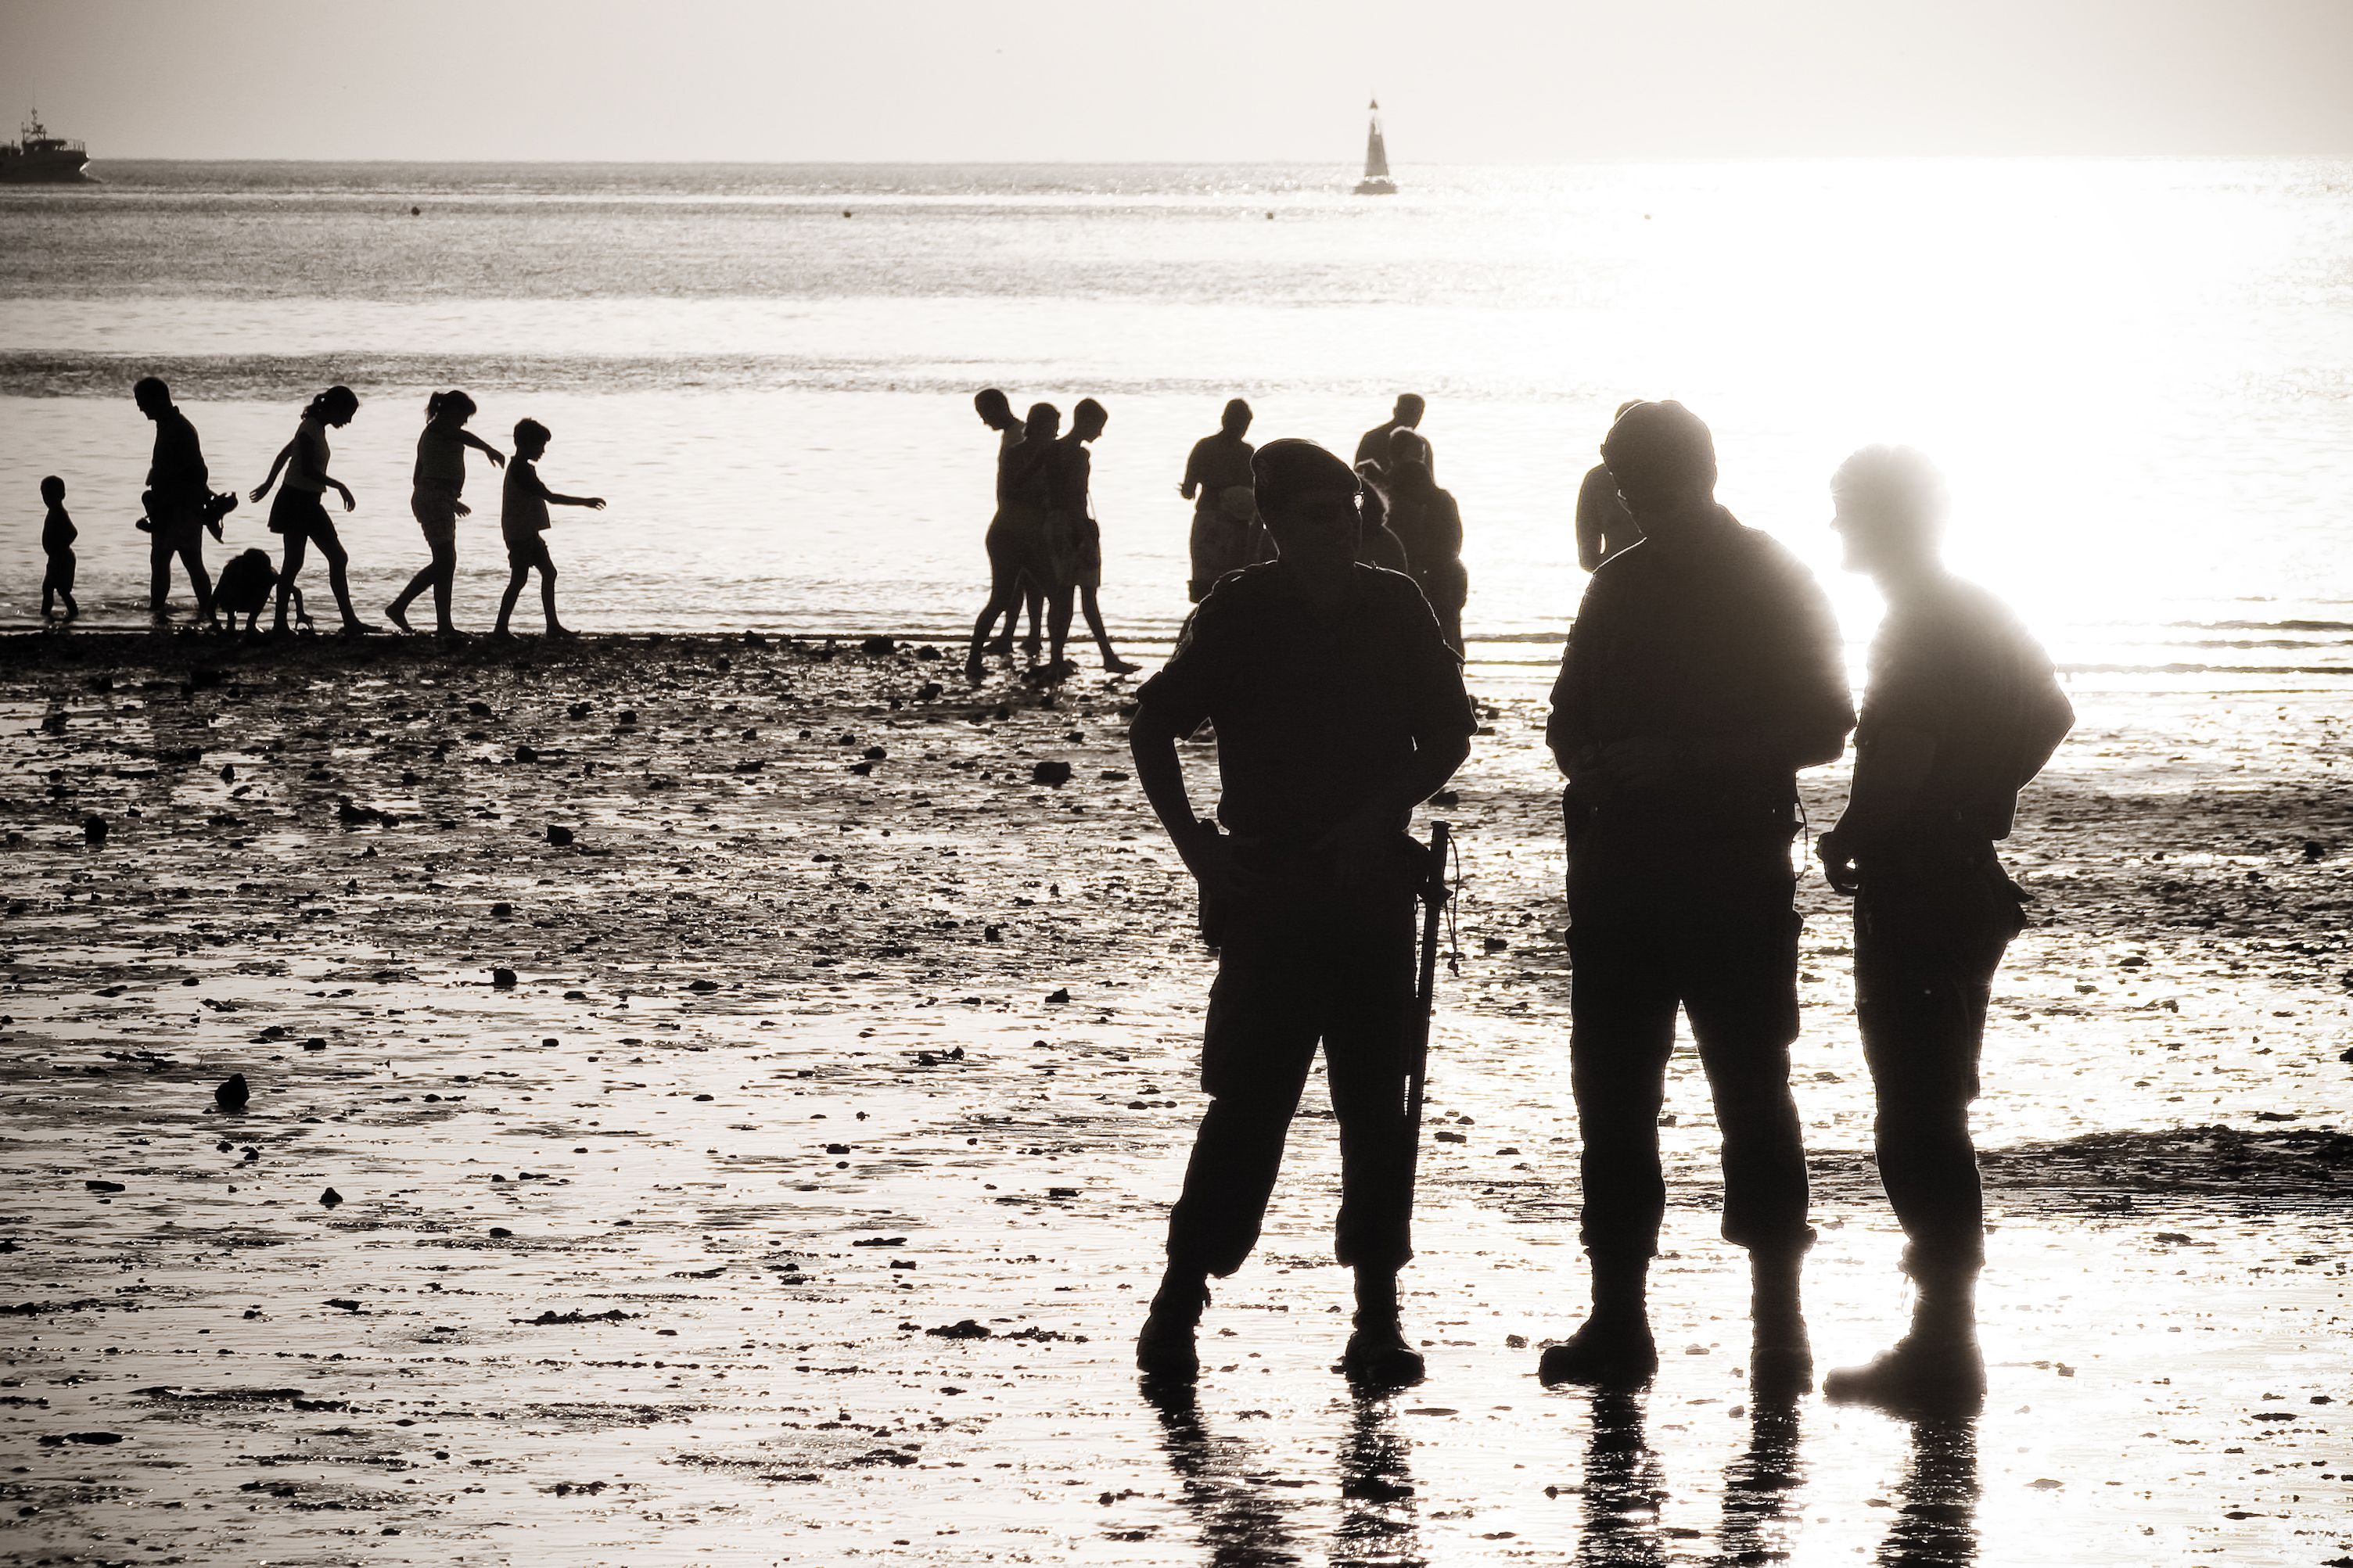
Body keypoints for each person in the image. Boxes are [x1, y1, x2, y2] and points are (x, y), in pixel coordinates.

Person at [1128, 438, 1475, 1390]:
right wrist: (1197, 850)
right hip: (1271, 894)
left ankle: (1377, 1314)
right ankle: (1176, 1302)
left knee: (1379, 1110)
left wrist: (1378, 814)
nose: (1341, 526)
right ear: (1275, 525)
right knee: (1245, 1106)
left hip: (1368, 898)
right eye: (1318, 513)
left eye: (1351, 511)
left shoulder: (1395, 605)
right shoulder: (1241, 609)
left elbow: (1449, 729)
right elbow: (1153, 722)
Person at [1540, 400, 1854, 1395]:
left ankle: (1779, 1328)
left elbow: (1824, 722)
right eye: (1628, 485)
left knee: (1752, 1098)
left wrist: (1677, 759)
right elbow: (1560, 718)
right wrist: (1588, 766)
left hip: (1730, 878)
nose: (1639, 501)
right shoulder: (1616, 586)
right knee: (1612, 1104)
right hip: (1618, 883)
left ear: (1702, 475)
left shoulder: (1772, 575)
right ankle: (1619, 1321)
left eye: (1651, 482)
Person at [1814, 446, 2072, 1416]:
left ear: (1886, 520)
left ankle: (1940, 1347)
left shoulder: (1910, 625)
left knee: (1914, 1113)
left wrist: (1847, 835)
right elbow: (2052, 708)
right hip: (1966, 877)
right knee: (1934, 1103)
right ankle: (1940, 1341)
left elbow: (1904, 753)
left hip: (1919, 882)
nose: (1835, 528)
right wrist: (1990, 790)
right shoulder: (1979, 608)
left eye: (1845, 511)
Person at [250, 386, 372, 634]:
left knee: (303, 561)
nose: (348, 421)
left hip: (306, 501)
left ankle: (342, 622)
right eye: (347, 414)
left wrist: (269, 483)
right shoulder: (310, 428)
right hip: (298, 502)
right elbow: (306, 469)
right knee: (319, 560)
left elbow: (286, 453)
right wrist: (340, 486)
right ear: (334, 408)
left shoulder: (315, 428)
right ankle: (287, 624)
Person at [388, 389, 505, 636]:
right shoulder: (438, 428)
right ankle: (399, 607)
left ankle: (444, 625)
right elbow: (462, 436)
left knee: (446, 563)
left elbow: (417, 476)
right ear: (451, 411)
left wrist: (450, 500)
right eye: (464, 416)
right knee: (445, 561)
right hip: (433, 498)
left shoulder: (434, 434)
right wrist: (488, 449)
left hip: (437, 497)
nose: (464, 422)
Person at [1043, 397, 1138, 676]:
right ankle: (1106, 657)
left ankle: (1056, 659)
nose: (1100, 433)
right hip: (1074, 527)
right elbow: (1076, 498)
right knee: (1087, 597)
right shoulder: (1079, 455)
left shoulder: (1052, 449)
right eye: (1098, 426)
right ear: (1084, 421)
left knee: (1062, 598)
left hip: (1055, 524)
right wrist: (1084, 535)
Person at [967, 402, 1061, 679]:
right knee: (1000, 599)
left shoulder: (1047, 454)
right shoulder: (1019, 452)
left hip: (1032, 535)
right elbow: (1012, 492)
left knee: (1056, 594)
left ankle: (1054, 658)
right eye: (1053, 428)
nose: (1055, 433)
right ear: (1041, 426)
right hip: (1008, 534)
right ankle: (973, 658)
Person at [494, 418, 604, 637]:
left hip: (527, 532)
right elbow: (551, 498)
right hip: (520, 533)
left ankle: (551, 626)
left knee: (549, 573)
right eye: (540, 445)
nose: (543, 450)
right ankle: (501, 629)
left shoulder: (522, 468)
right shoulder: (521, 471)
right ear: (525, 444)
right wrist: (585, 501)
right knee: (519, 579)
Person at [134, 376, 216, 624]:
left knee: (186, 561)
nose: (140, 408)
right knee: (163, 561)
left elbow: (198, 470)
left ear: (158, 400)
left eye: (143, 402)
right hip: (169, 506)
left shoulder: (180, 428)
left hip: (181, 508)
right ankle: (165, 611)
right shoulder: (168, 426)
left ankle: (203, 609)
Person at [1378, 429, 1468, 654]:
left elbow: (1450, 544)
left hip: (1439, 577)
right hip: (1436, 575)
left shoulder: (1429, 501)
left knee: (1446, 631)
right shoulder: (1433, 499)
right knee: (1446, 632)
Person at [972, 388, 1044, 658]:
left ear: (998, 407)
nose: (984, 421)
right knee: (1022, 583)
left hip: (1020, 520)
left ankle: (1029, 635)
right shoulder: (1012, 435)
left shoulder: (1019, 436)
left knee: (1026, 584)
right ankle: (1013, 635)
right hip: (1014, 518)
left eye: (984, 414)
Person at [1180, 398, 1259, 602]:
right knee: (1233, 586)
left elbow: (1189, 491)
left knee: (1205, 585)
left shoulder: (1204, 447)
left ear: (1223, 419)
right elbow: (1257, 494)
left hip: (1208, 521)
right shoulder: (1247, 453)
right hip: (1238, 525)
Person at [1577, 400, 1644, 570]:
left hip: (1614, 581)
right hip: (1664, 580)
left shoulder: (1596, 479)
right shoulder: (1672, 477)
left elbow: (1588, 559)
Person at [1355, 393, 1427, 473]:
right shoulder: (1372, 439)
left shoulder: (1422, 444)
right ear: (1395, 411)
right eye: (1406, 412)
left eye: (1417, 413)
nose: (1412, 418)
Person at [38, 475, 77, 623]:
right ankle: (45, 614)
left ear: (62, 495)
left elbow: (73, 532)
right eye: (45, 495)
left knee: (63, 591)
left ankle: (73, 614)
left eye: (51, 494)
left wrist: (60, 546)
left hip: (62, 559)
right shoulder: (53, 512)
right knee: (47, 588)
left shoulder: (60, 513)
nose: (47, 498)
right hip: (55, 558)